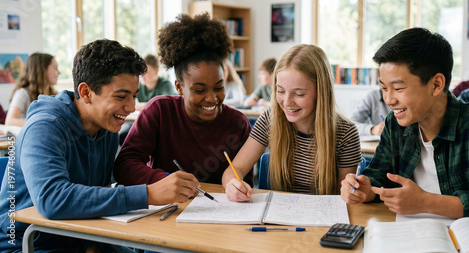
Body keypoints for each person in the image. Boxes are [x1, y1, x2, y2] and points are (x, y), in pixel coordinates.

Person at [0, 39, 201, 252]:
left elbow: (95, 193)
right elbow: (52, 199)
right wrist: (148, 194)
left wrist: (93, 245)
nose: (131, 107)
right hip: (26, 244)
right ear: (86, 92)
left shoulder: (105, 127)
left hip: (76, 234)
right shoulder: (45, 127)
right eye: (121, 96)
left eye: (134, 96)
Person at [340, 27, 469, 223]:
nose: (389, 99)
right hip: (411, 234)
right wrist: (367, 189)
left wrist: (426, 202)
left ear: (436, 85)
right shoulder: (395, 124)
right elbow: (379, 174)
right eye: (383, 88)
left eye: (398, 88)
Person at [114, 13, 252, 186]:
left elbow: (246, 182)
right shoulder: (159, 111)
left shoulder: (238, 123)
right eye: (199, 90)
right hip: (167, 207)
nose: (212, 98)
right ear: (179, 87)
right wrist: (164, 179)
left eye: (219, 87)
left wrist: (239, 188)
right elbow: (124, 166)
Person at [223, 44, 361, 201]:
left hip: (323, 219)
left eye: (299, 94)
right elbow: (233, 170)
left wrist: (352, 192)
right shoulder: (271, 119)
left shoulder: (346, 132)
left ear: (321, 92)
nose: (287, 102)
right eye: (280, 91)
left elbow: (346, 198)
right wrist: (232, 185)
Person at [5, 53, 59, 127]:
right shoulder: (23, 93)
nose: (59, 72)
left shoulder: (55, 94)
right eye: (55, 68)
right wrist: (43, 124)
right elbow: (10, 121)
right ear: (42, 70)